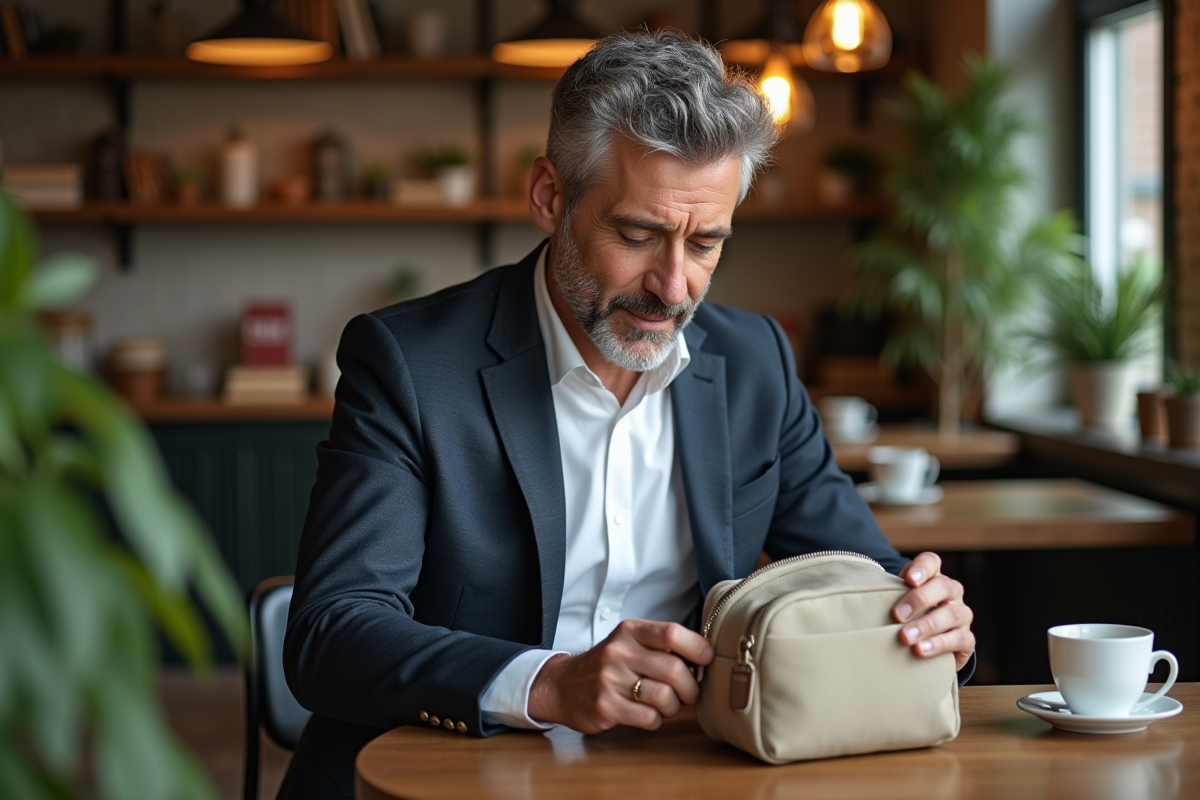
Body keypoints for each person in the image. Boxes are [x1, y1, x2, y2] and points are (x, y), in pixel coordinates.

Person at [279, 30, 975, 799]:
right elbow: (330, 634)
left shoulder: (755, 365)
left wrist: (924, 618)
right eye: (637, 235)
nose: (674, 287)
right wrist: (548, 685)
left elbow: (861, 577)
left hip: (678, 775)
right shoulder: (410, 364)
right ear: (550, 196)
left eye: (706, 243)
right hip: (438, 776)